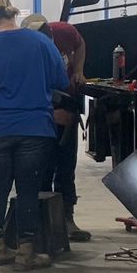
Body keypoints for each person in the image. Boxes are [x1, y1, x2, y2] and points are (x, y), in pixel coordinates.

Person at [0, 0, 68, 271]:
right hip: (35, 129)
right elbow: (61, 80)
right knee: (28, 190)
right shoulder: (42, 43)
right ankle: (26, 252)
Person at [44, 19, 93, 244]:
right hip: (42, 113)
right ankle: (43, 221)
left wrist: (79, 70)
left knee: (66, 166)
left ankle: (66, 218)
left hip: (67, 104)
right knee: (42, 168)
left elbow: (80, 44)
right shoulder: (27, 50)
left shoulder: (64, 31)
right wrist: (49, 113)